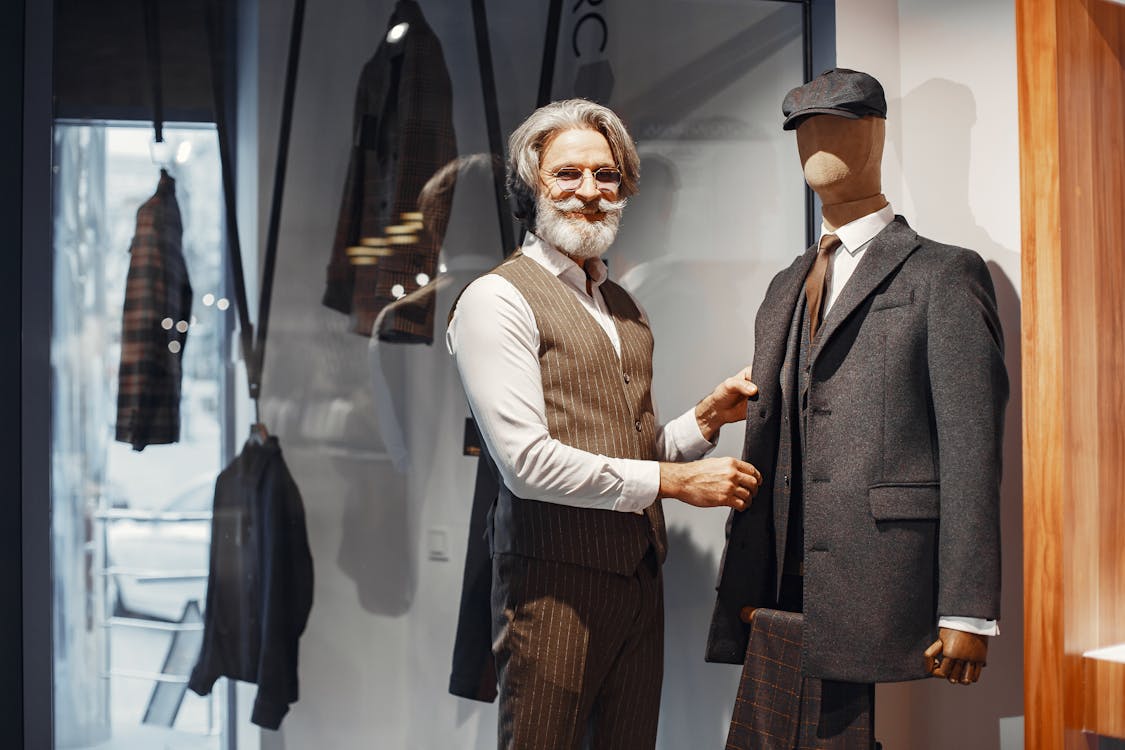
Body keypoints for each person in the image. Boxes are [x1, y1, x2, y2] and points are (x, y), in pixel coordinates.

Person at [447, 98, 762, 750]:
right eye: (566, 174)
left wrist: (704, 419)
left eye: (606, 175)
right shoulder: (496, 299)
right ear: (529, 185)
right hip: (550, 589)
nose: (589, 192)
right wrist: (675, 485)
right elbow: (526, 465)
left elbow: (634, 447)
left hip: (638, 583)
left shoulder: (621, 305)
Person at [707, 68, 1008, 744]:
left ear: (875, 134)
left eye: (838, 123)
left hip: (883, 570)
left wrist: (966, 611)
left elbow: (970, 446)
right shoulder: (785, 284)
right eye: (803, 128)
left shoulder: (943, 272)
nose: (818, 140)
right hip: (779, 574)